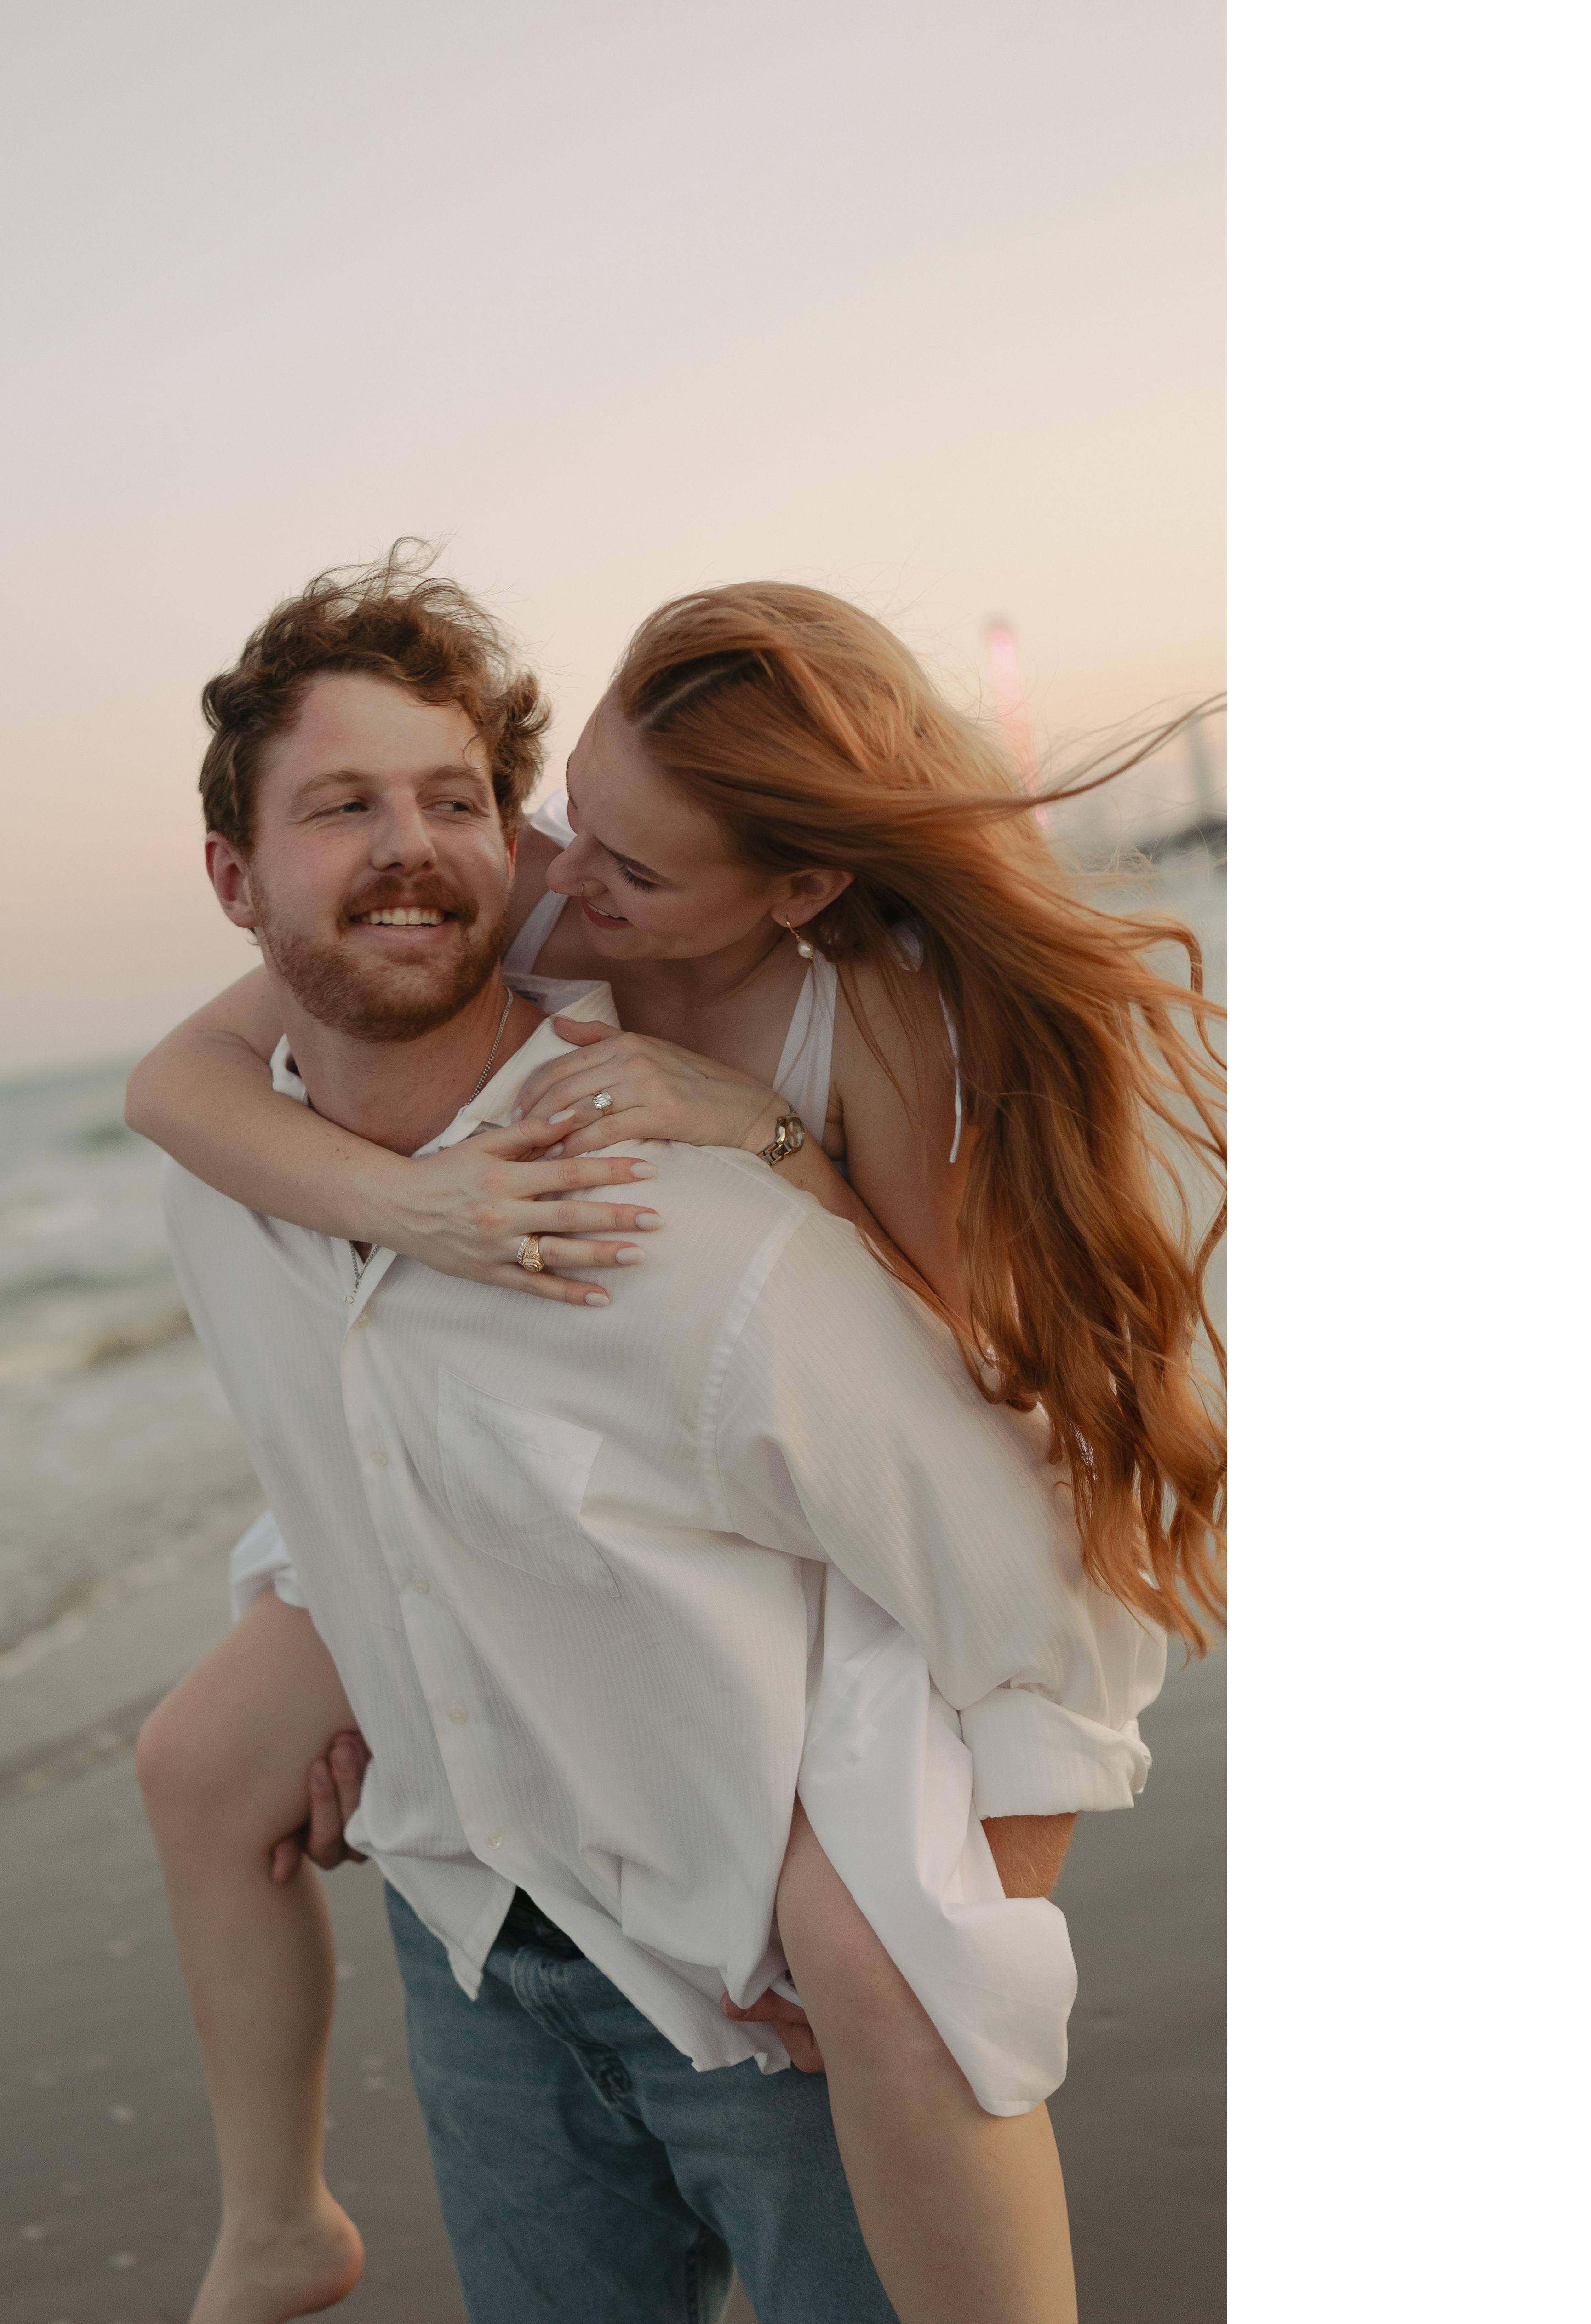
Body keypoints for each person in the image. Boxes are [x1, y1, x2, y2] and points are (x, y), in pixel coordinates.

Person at [132, 552, 1222, 2324]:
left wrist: (768, 1150)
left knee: (883, 1970)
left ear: (797, 887)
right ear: (237, 877)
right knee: (200, 1759)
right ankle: (273, 2218)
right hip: (521, 1645)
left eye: (615, 863)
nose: (568, 885)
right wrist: (418, 1682)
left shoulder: (869, 1041)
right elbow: (176, 1088)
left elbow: (960, 1411)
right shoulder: (530, 926)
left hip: (855, 1551)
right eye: (565, 825)